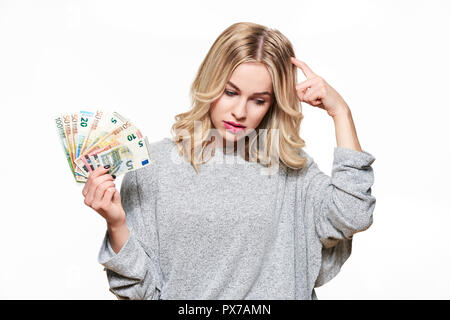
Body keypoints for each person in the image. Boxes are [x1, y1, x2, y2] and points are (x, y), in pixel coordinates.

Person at [82, 22, 376, 300]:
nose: (239, 111)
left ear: (273, 103)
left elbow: (354, 214)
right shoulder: (152, 167)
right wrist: (117, 222)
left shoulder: (292, 171)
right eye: (230, 92)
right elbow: (137, 291)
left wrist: (341, 113)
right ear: (209, 83)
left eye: (258, 100)